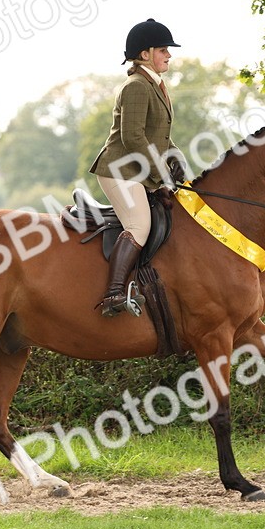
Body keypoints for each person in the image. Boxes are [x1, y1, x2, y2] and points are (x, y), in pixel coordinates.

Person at [89, 18, 187, 317]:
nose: (169, 55)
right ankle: (113, 294)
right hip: (119, 171)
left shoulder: (154, 85)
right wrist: (161, 176)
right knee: (138, 225)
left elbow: (160, 137)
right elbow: (133, 137)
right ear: (145, 54)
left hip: (140, 171)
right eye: (163, 49)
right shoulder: (136, 86)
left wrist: (180, 161)